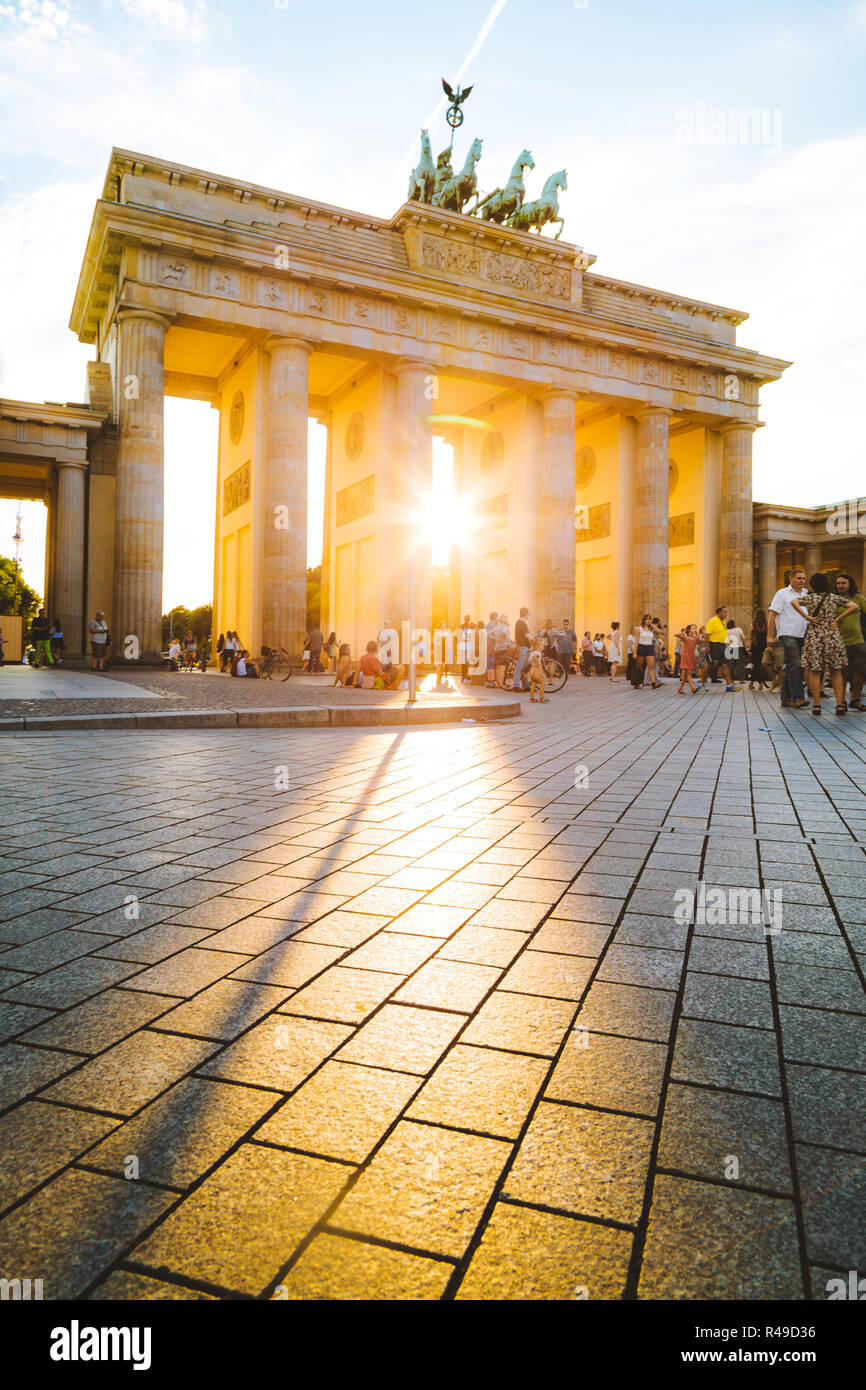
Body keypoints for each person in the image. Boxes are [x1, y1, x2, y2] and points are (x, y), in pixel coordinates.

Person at [790, 573, 858, 715]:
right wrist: (837, 620)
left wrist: (806, 616)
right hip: (832, 636)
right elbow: (854, 606)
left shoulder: (809, 598)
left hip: (814, 637)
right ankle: (839, 704)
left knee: (815, 671)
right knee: (836, 671)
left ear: (813, 585)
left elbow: (793, 602)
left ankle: (816, 705)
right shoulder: (834, 598)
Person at [767, 568, 809, 708]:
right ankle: (798, 697)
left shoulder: (806, 593)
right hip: (787, 633)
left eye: (803, 578)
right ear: (791, 579)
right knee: (796, 663)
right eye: (799, 578)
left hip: (802, 634)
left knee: (792, 665)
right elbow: (772, 615)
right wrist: (770, 636)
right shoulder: (782, 593)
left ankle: (785, 698)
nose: (802, 581)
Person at [834, 573, 866, 711]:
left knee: (861, 670)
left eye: (843, 583)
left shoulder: (858, 598)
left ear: (850, 584)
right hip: (839, 641)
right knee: (841, 672)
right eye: (838, 583)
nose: (840, 586)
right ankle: (841, 702)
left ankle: (855, 698)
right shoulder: (834, 599)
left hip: (858, 640)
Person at [705, 605, 738, 692]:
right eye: (724, 612)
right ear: (719, 612)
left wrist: (726, 644)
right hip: (714, 645)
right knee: (710, 665)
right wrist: (707, 647)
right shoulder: (712, 621)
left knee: (725, 665)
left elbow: (723, 634)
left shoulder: (723, 621)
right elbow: (707, 634)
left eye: (727, 612)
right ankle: (701, 683)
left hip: (722, 646)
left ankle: (729, 685)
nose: (726, 613)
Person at [635, 614, 661, 689]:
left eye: (649, 619)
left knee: (651, 666)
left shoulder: (651, 629)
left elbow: (654, 638)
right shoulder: (639, 629)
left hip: (649, 648)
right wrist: (635, 652)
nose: (648, 620)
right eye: (646, 619)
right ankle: (637, 683)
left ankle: (653, 683)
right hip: (641, 647)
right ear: (644, 620)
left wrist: (655, 647)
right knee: (639, 666)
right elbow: (636, 641)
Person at [748, 609, 768, 690]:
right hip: (764, 646)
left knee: (755, 665)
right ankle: (760, 684)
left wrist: (749, 647)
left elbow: (751, 637)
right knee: (760, 665)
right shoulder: (766, 624)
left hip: (755, 647)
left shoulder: (752, 624)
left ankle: (752, 683)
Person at [677, 624, 699, 694]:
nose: (695, 629)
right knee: (688, 672)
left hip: (691, 656)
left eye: (695, 628)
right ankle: (692, 688)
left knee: (686, 674)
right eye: (693, 628)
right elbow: (676, 635)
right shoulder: (685, 637)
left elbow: (702, 640)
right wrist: (682, 634)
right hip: (686, 656)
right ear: (689, 630)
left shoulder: (696, 638)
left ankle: (680, 689)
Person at [726, 618, 747, 683]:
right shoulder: (739, 629)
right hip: (739, 647)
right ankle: (741, 679)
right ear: (734, 624)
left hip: (730, 648)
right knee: (740, 663)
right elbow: (744, 638)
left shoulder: (726, 631)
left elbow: (726, 642)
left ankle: (731, 679)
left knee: (730, 664)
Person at [484, 612, 500, 687]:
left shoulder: (486, 625)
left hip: (487, 646)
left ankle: (489, 681)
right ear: (495, 617)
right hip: (493, 647)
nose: (498, 618)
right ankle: (491, 682)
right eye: (497, 617)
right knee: (492, 665)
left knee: (489, 665)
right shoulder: (496, 626)